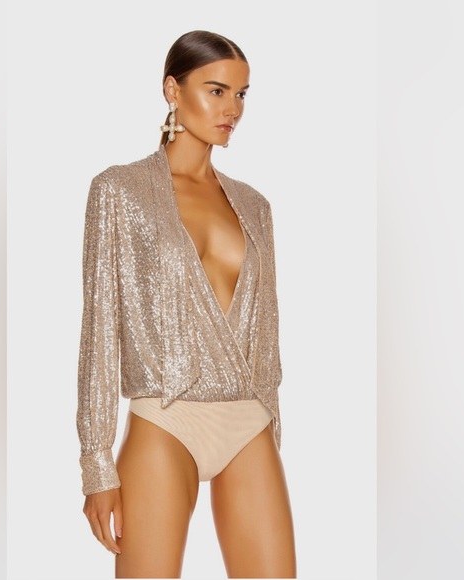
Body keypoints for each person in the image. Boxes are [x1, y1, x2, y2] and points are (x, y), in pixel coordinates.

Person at [77, 30, 296, 578]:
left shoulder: (255, 205)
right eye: (216, 91)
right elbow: (99, 330)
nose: (232, 110)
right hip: (165, 422)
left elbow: (266, 332)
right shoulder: (119, 191)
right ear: (172, 90)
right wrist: (97, 464)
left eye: (241, 94)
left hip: (248, 423)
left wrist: (275, 426)